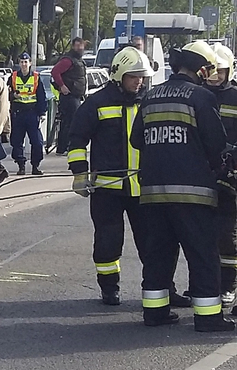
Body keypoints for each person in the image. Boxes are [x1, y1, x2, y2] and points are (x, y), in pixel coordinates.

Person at [68, 46, 189, 307]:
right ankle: (109, 288)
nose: (140, 81)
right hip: (108, 189)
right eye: (134, 76)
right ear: (119, 75)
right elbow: (77, 140)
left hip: (145, 188)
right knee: (108, 243)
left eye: (143, 76)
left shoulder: (151, 101)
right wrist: (79, 173)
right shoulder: (97, 103)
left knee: (155, 244)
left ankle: (165, 289)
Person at [130, 40, 234, 331]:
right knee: (202, 254)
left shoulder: (150, 97)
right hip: (194, 193)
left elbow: (136, 139)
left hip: (152, 192)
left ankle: (155, 312)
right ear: (200, 69)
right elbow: (215, 144)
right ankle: (208, 317)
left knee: (159, 254)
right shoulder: (201, 97)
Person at [205, 43, 237, 307]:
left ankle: (228, 285)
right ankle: (206, 285)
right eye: (211, 70)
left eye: (220, 71)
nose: (215, 76)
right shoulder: (197, 96)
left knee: (227, 236)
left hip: (231, 180)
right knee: (200, 236)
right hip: (200, 176)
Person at [7, 52, 47, 175]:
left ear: (30, 63)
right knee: (17, 141)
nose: (24, 64)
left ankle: (35, 166)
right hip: (18, 114)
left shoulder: (36, 77)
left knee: (37, 141)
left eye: (26, 62)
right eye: (22, 62)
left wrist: (42, 113)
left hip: (32, 113)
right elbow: (6, 95)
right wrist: (13, 95)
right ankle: (21, 166)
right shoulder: (13, 77)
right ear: (19, 63)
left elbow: (41, 96)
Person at [51, 37, 88, 156]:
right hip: (69, 97)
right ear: (73, 47)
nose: (79, 48)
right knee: (70, 122)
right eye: (77, 46)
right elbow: (55, 72)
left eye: (81, 46)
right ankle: (64, 147)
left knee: (69, 122)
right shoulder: (68, 60)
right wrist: (62, 86)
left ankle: (64, 147)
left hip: (75, 96)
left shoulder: (78, 60)